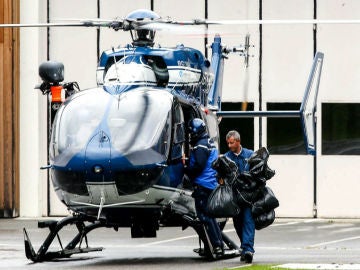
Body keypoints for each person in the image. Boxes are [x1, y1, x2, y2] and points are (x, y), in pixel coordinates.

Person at [184, 118, 224, 257]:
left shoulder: (200, 145)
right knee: (210, 216)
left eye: (191, 132)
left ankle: (217, 246)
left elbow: (198, 165)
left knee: (205, 217)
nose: (190, 135)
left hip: (203, 185)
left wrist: (186, 168)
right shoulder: (208, 142)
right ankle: (218, 244)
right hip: (210, 183)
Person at [224, 130, 255, 263]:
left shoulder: (250, 154)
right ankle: (245, 247)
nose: (229, 146)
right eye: (228, 143)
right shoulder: (226, 157)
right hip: (235, 197)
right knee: (238, 223)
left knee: (248, 221)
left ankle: (248, 249)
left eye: (231, 143)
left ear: (238, 141)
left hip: (248, 197)